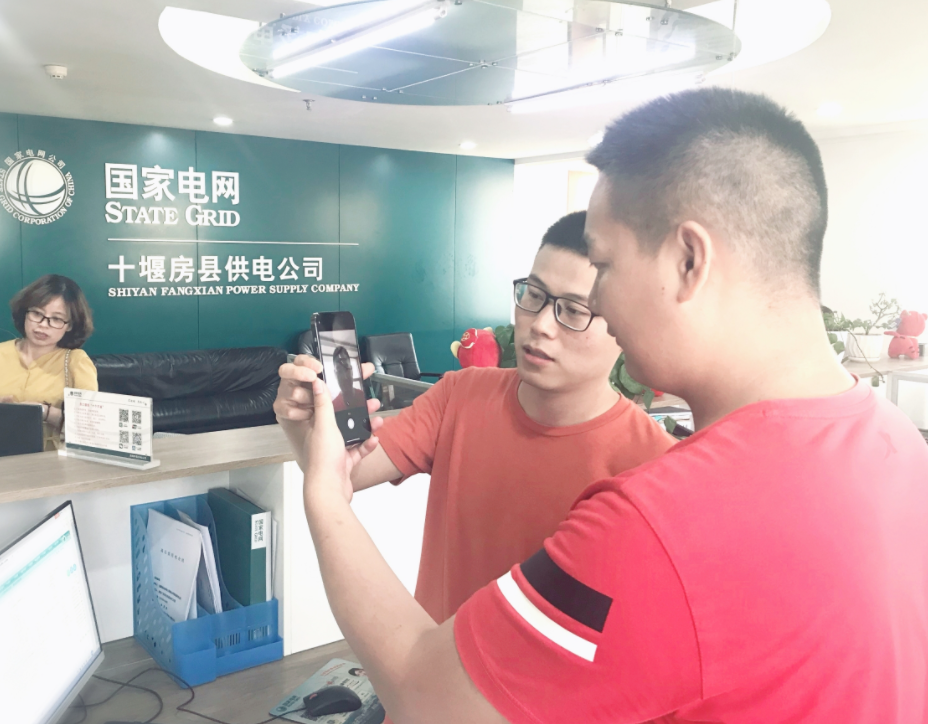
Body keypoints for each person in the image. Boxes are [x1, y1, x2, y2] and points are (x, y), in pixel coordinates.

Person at [281, 87, 928, 724]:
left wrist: (323, 495)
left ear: (688, 261)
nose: (600, 308)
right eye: (536, 296)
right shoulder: (898, 444)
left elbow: (426, 695)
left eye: (607, 269)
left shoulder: (658, 521)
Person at [276, 210, 675, 629]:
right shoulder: (461, 394)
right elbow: (344, 472)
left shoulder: (653, 468)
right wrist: (300, 425)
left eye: (574, 311)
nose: (540, 325)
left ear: (627, 325)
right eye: (533, 294)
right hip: (430, 660)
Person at [0, 274, 97, 450]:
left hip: (52, 462)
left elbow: (91, 427)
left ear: (70, 325)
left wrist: (44, 412)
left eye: (56, 319)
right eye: (37, 313)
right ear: (25, 313)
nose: (43, 325)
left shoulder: (77, 361)